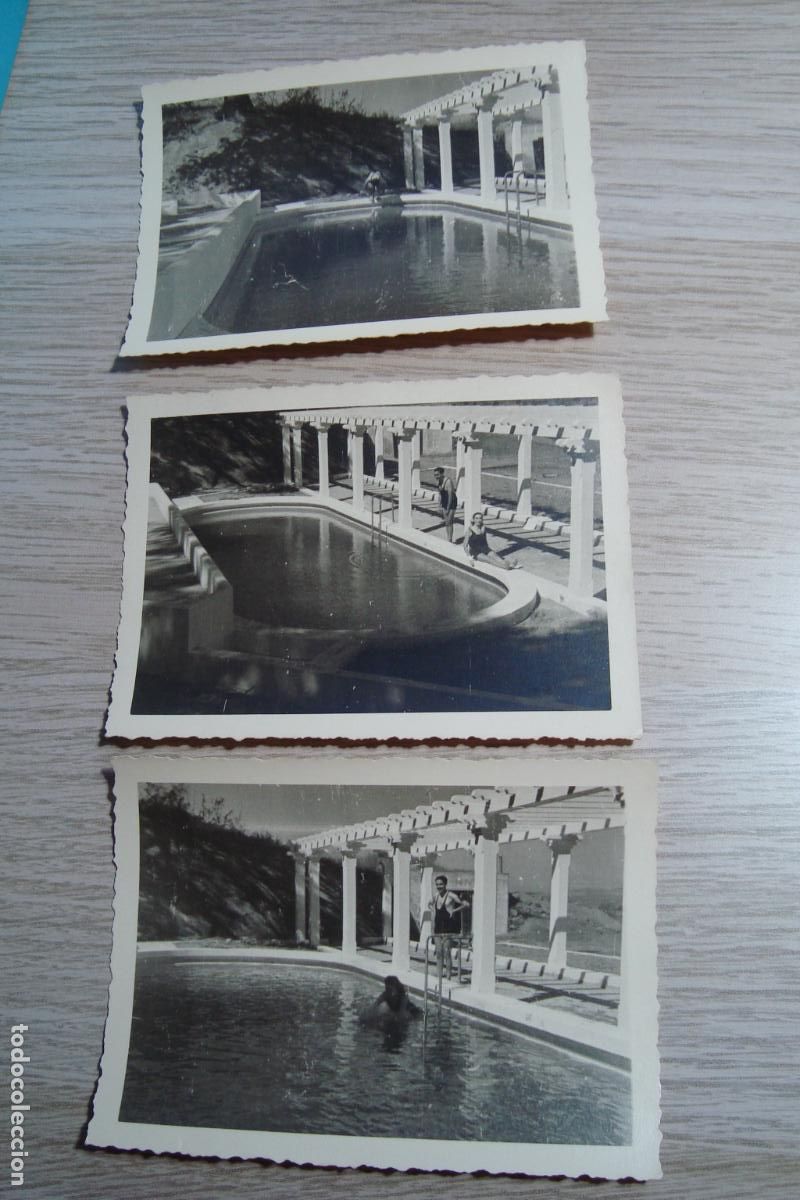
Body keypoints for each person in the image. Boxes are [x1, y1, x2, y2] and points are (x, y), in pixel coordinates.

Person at [429, 874, 470, 980]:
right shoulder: (436, 896)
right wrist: (432, 909)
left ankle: (448, 976)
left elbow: (466, 905)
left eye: (441, 884)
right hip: (438, 927)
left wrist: (454, 911)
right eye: (437, 884)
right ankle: (439, 975)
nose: (439, 886)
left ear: (445, 884)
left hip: (448, 928)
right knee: (438, 952)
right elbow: (429, 903)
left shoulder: (451, 895)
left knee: (447, 951)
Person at [432, 466, 458, 542]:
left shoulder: (448, 481)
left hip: (451, 501)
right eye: (435, 475)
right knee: (446, 522)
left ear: (442, 474)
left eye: (437, 475)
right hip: (444, 500)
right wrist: (439, 505)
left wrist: (448, 508)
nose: (436, 476)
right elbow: (440, 494)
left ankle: (450, 539)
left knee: (449, 521)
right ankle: (448, 538)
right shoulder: (438, 481)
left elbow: (450, 496)